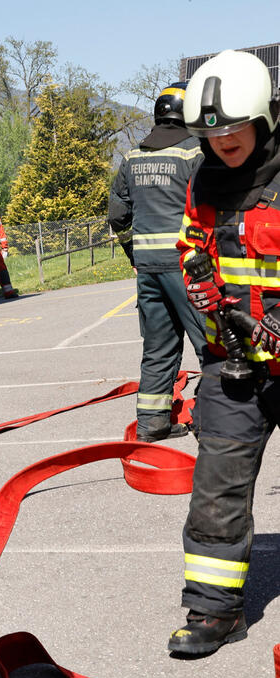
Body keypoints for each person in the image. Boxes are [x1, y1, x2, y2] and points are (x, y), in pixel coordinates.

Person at [170, 49, 280, 656]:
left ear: (262, 118)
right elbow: (194, 247)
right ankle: (214, 612)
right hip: (233, 364)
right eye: (210, 132)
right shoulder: (202, 181)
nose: (221, 140)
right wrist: (202, 289)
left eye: (232, 127)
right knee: (217, 486)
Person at [108, 82, 208, 442]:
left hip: (148, 270)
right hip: (188, 267)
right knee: (210, 344)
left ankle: (152, 425)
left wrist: (134, 255)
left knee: (158, 348)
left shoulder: (132, 158)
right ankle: (210, 422)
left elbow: (117, 216)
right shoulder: (194, 153)